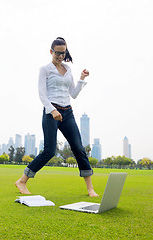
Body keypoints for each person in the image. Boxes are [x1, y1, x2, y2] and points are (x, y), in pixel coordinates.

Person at [15, 37, 99, 197]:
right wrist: (52, 110)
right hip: (51, 112)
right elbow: (42, 93)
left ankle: (90, 189)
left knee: (79, 148)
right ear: (51, 51)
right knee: (49, 150)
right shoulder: (45, 69)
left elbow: (73, 94)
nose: (60, 56)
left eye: (63, 53)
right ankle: (22, 180)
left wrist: (82, 79)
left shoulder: (68, 69)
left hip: (67, 112)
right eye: (57, 53)